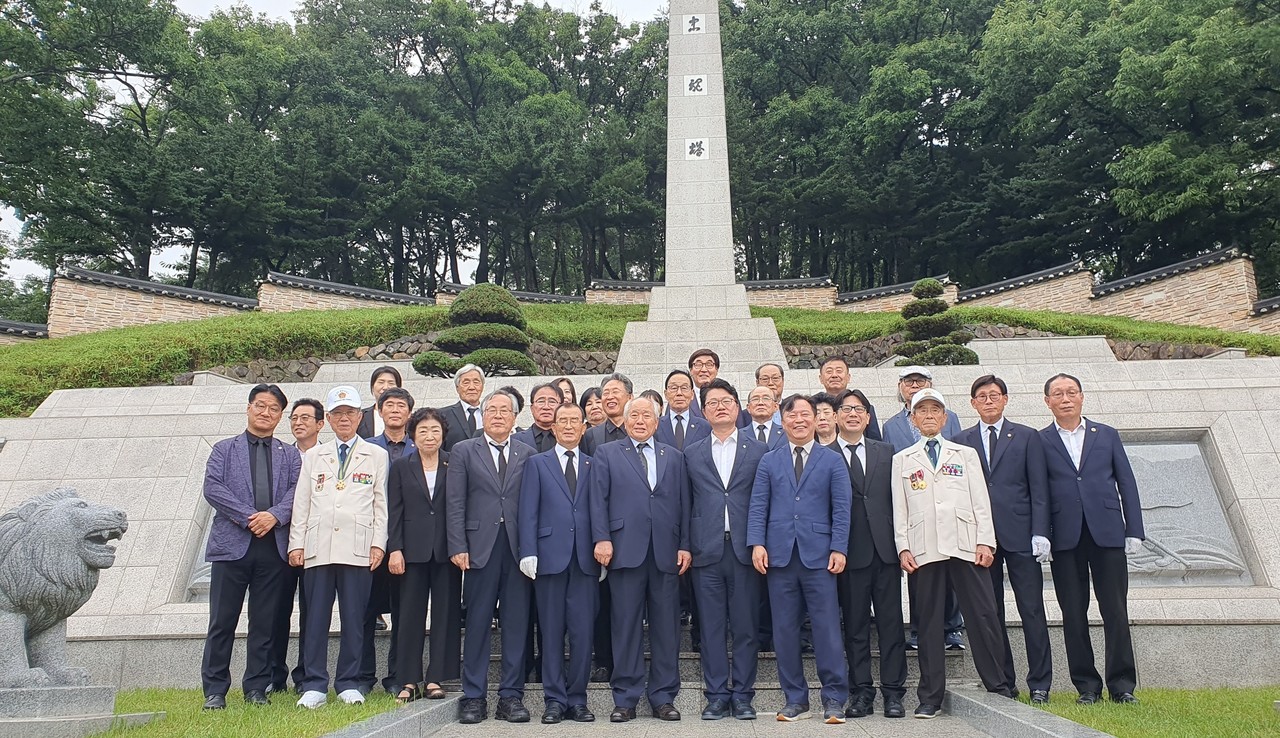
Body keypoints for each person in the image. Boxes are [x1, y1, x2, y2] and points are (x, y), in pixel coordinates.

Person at [893, 389, 1013, 719]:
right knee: (928, 622)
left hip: (965, 544)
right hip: (924, 548)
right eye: (922, 411)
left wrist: (986, 541)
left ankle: (998, 685)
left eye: (935, 410)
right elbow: (899, 509)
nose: (929, 415)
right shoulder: (901, 460)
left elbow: (980, 501)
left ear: (945, 418)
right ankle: (930, 696)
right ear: (913, 420)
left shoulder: (965, 453)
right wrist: (903, 546)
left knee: (983, 615)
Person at [1040, 373, 1144, 705]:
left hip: (1107, 532)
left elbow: (1126, 482)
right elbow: (1038, 492)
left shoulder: (1106, 434)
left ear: (1082, 397)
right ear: (1048, 401)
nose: (1065, 398)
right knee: (1073, 612)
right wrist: (1041, 535)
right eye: (1058, 393)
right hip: (1065, 537)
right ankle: (1086, 686)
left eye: (1071, 392)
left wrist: (1135, 530)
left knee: (1115, 609)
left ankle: (1122, 685)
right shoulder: (1039, 441)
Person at [747, 394, 850, 724]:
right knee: (785, 631)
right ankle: (795, 698)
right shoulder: (769, 460)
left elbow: (842, 509)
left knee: (827, 630)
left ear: (818, 418)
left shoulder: (832, 460)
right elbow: (759, 506)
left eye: (806, 414)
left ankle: (834, 698)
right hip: (779, 556)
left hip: (820, 556)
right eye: (792, 415)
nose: (800, 420)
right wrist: (756, 544)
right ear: (783, 419)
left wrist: (839, 547)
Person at [200, 384, 301, 711]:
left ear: (280, 415)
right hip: (233, 547)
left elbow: (297, 493)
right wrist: (248, 517)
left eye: (273, 408)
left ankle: (257, 686)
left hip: (272, 548)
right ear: (248, 408)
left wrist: (273, 516)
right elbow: (213, 488)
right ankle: (215, 689)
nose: (266, 412)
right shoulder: (224, 449)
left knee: (265, 621)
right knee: (222, 621)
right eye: (260, 405)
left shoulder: (289, 454)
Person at [590, 396, 691, 723]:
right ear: (626, 419)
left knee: (666, 629)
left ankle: (663, 697)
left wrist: (685, 544)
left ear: (657, 420)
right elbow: (598, 499)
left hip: (666, 552)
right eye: (634, 414)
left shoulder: (674, 457)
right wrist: (602, 538)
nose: (640, 420)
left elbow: (684, 504)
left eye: (647, 415)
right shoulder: (607, 453)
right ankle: (626, 698)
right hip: (624, 550)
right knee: (626, 626)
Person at [289, 385, 389, 709]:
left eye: (350, 413)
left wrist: (378, 544)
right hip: (319, 547)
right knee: (315, 618)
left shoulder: (377, 455)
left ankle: (349, 681)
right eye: (338, 414)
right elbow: (301, 502)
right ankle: (314, 684)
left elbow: (380, 504)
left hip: (358, 548)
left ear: (360, 417)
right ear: (328, 420)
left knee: (355, 618)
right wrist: (297, 544)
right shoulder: (314, 456)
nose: (344, 419)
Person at [957, 375, 1053, 704]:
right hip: (980, 539)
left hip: (1022, 535)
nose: (988, 401)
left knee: (1032, 610)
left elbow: (1040, 488)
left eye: (994, 395)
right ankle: (1004, 681)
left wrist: (1041, 531)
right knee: (992, 612)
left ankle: (1040, 683)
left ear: (1005, 399)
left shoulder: (1027, 436)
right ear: (973, 403)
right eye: (981, 396)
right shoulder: (961, 440)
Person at [447, 390, 537, 724]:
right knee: (478, 623)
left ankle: (511, 697)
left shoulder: (528, 453)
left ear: (515, 418)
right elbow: (454, 501)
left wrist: (532, 550)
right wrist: (458, 545)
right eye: (492, 410)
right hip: (477, 549)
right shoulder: (464, 451)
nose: (498, 415)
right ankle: (474, 696)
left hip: (515, 551)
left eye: (505, 410)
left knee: (516, 624)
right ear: (483, 416)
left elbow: (532, 505)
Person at [684, 378, 767, 721]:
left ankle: (743, 695)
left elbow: (765, 502)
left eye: (726, 401)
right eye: (712, 402)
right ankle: (717, 694)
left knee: (746, 627)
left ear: (737, 407)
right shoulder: (691, 453)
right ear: (704, 412)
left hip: (746, 551)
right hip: (707, 553)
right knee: (712, 628)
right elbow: (685, 504)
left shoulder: (759, 450)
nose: (720, 406)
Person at [518, 402, 599, 724]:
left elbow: (599, 512)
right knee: (550, 632)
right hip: (549, 558)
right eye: (562, 421)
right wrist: (528, 551)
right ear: (553, 427)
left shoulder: (595, 465)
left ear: (583, 428)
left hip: (585, 561)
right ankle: (554, 699)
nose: (568, 426)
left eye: (574, 421)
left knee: (582, 632)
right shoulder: (537, 464)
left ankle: (577, 698)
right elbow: (528, 510)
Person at [828, 389, 907, 719]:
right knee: (856, 627)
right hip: (848, 554)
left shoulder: (887, 451)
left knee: (891, 625)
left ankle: (894, 692)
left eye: (859, 409)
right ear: (835, 417)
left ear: (868, 417)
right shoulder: (825, 454)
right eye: (846, 409)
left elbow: (900, 501)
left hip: (885, 552)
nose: (852, 414)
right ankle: (861, 692)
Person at [882, 365, 965, 650]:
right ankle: (919, 630)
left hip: (948, 502)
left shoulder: (950, 418)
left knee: (952, 570)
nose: (914, 385)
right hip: (913, 502)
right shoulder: (891, 425)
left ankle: (953, 627)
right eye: (908, 381)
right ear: (900, 387)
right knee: (918, 573)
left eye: (920, 381)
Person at [386, 407, 461, 704]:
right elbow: (394, 511)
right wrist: (395, 549)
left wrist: (460, 546)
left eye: (435, 431)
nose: (429, 436)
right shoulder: (401, 467)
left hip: (446, 552)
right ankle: (407, 680)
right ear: (412, 435)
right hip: (411, 553)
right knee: (409, 616)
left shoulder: (454, 463)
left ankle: (435, 678)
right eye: (423, 431)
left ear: (443, 434)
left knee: (445, 615)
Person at [361, 386, 417, 694]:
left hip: (407, 545)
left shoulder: (419, 446)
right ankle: (362, 677)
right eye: (389, 405)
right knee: (366, 612)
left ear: (409, 413)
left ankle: (398, 677)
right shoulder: (365, 447)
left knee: (404, 613)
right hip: (370, 542)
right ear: (379, 412)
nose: (395, 410)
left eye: (401, 406)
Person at [268, 397, 324, 695]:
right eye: (294, 418)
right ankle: (274, 675)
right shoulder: (279, 455)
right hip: (280, 544)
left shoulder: (330, 456)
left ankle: (306, 675)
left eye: (306, 418)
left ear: (320, 424)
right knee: (277, 612)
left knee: (312, 611)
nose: (298, 423)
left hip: (316, 545)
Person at [817, 356, 881, 441]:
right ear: (821, 379)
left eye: (839, 371)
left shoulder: (864, 407)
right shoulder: (812, 408)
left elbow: (875, 442)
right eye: (829, 372)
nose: (834, 375)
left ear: (848, 377)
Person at [656, 370, 710, 451]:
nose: (679, 393)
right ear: (666, 394)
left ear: (692, 394)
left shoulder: (705, 427)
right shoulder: (655, 425)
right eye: (674, 388)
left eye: (684, 388)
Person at [580, 373, 631, 455]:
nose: (610, 397)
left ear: (630, 397)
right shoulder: (589, 435)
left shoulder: (639, 429)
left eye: (615, 392)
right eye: (606, 393)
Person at [440, 364, 486, 450]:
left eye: (476, 382)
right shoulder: (442, 415)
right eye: (466, 382)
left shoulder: (491, 414)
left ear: (482, 386)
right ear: (457, 388)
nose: (471, 387)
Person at [514, 383, 564, 453]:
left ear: (561, 407)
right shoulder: (515, 440)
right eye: (541, 401)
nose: (546, 407)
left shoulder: (571, 439)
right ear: (532, 408)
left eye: (552, 401)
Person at [358, 366, 403, 439]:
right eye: (381, 382)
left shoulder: (408, 417)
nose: (385, 387)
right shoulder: (360, 417)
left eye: (391, 383)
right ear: (372, 387)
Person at [687, 348, 720, 417]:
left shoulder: (729, 395)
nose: (704, 370)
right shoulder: (681, 397)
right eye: (698, 364)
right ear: (691, 371)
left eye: (709, 364)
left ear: (716, 370)